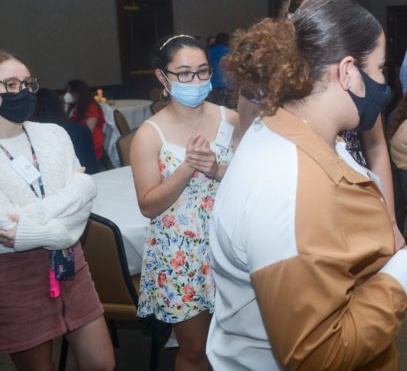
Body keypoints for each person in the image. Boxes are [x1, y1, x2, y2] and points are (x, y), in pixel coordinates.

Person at [208, 0, 407, 369]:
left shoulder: (292, 133)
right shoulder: (287, 181)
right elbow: (317, 354)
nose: (382, 82)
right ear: (348, 71)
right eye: (379, 69)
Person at [237, 0, 404, 250]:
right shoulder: (261, 85)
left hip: (357, 189)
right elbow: (247, 148)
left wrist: (389, 219)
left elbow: (375, 146)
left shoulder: (360, 81)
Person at [0, 51, 115, 371]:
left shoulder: (54, 135)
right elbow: (3, 229)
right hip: (14, 276)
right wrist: (69, 206)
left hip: (70, 263)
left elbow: (81, 207)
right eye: (9, 84)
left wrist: (34, 227)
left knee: (101, 363)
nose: (21, 92)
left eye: (26, 83)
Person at [130, 34, 239, 371]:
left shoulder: (231, 119)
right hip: (180, 251)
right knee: (196, 350)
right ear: (163, 77)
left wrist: (217, 168)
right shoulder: (149, 134)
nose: (196, 81)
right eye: (185, 73)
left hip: (230, 240)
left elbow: (254, 180)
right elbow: (148, 205)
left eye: (203, 72)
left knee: (238, 341)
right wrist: (188, 166)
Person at [33, 88, 99, 175]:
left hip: (65, 185)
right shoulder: (81, 129)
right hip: (94, 179)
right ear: (59, 106)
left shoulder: (39, 136)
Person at [65, 79, 106, 163]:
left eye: (70, 92)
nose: (68, 95)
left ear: (78, 93)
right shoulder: (74, 106)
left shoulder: (90, 107)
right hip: (78, 141)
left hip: (90, 144)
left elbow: (88, 131)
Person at [207, 32, 231, 106]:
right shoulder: (228, 51)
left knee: (215, 106)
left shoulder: (210, 51)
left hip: (213, 82)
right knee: (228, 107)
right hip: (227, 82)